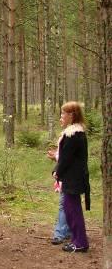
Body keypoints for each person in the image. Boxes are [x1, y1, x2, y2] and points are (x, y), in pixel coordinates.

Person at [53, 101, 90, 253]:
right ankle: (77, 239)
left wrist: (57, 172)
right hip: (73, 177)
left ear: (71, 115)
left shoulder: (73, 135)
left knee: (72, 209)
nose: (61, 116)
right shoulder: (74, 133)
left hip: (73, 178)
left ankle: (80, 242)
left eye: (63, 113)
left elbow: (66, 158)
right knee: (70, 208)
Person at [47, 144, 71, 245]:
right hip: (66, 178)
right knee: (68, 205)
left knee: (64, 206)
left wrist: (56, 156)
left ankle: (59, 234)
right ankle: (69, 231)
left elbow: (68, 157)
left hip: (69, 179)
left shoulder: (73, 134)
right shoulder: (68, 135)